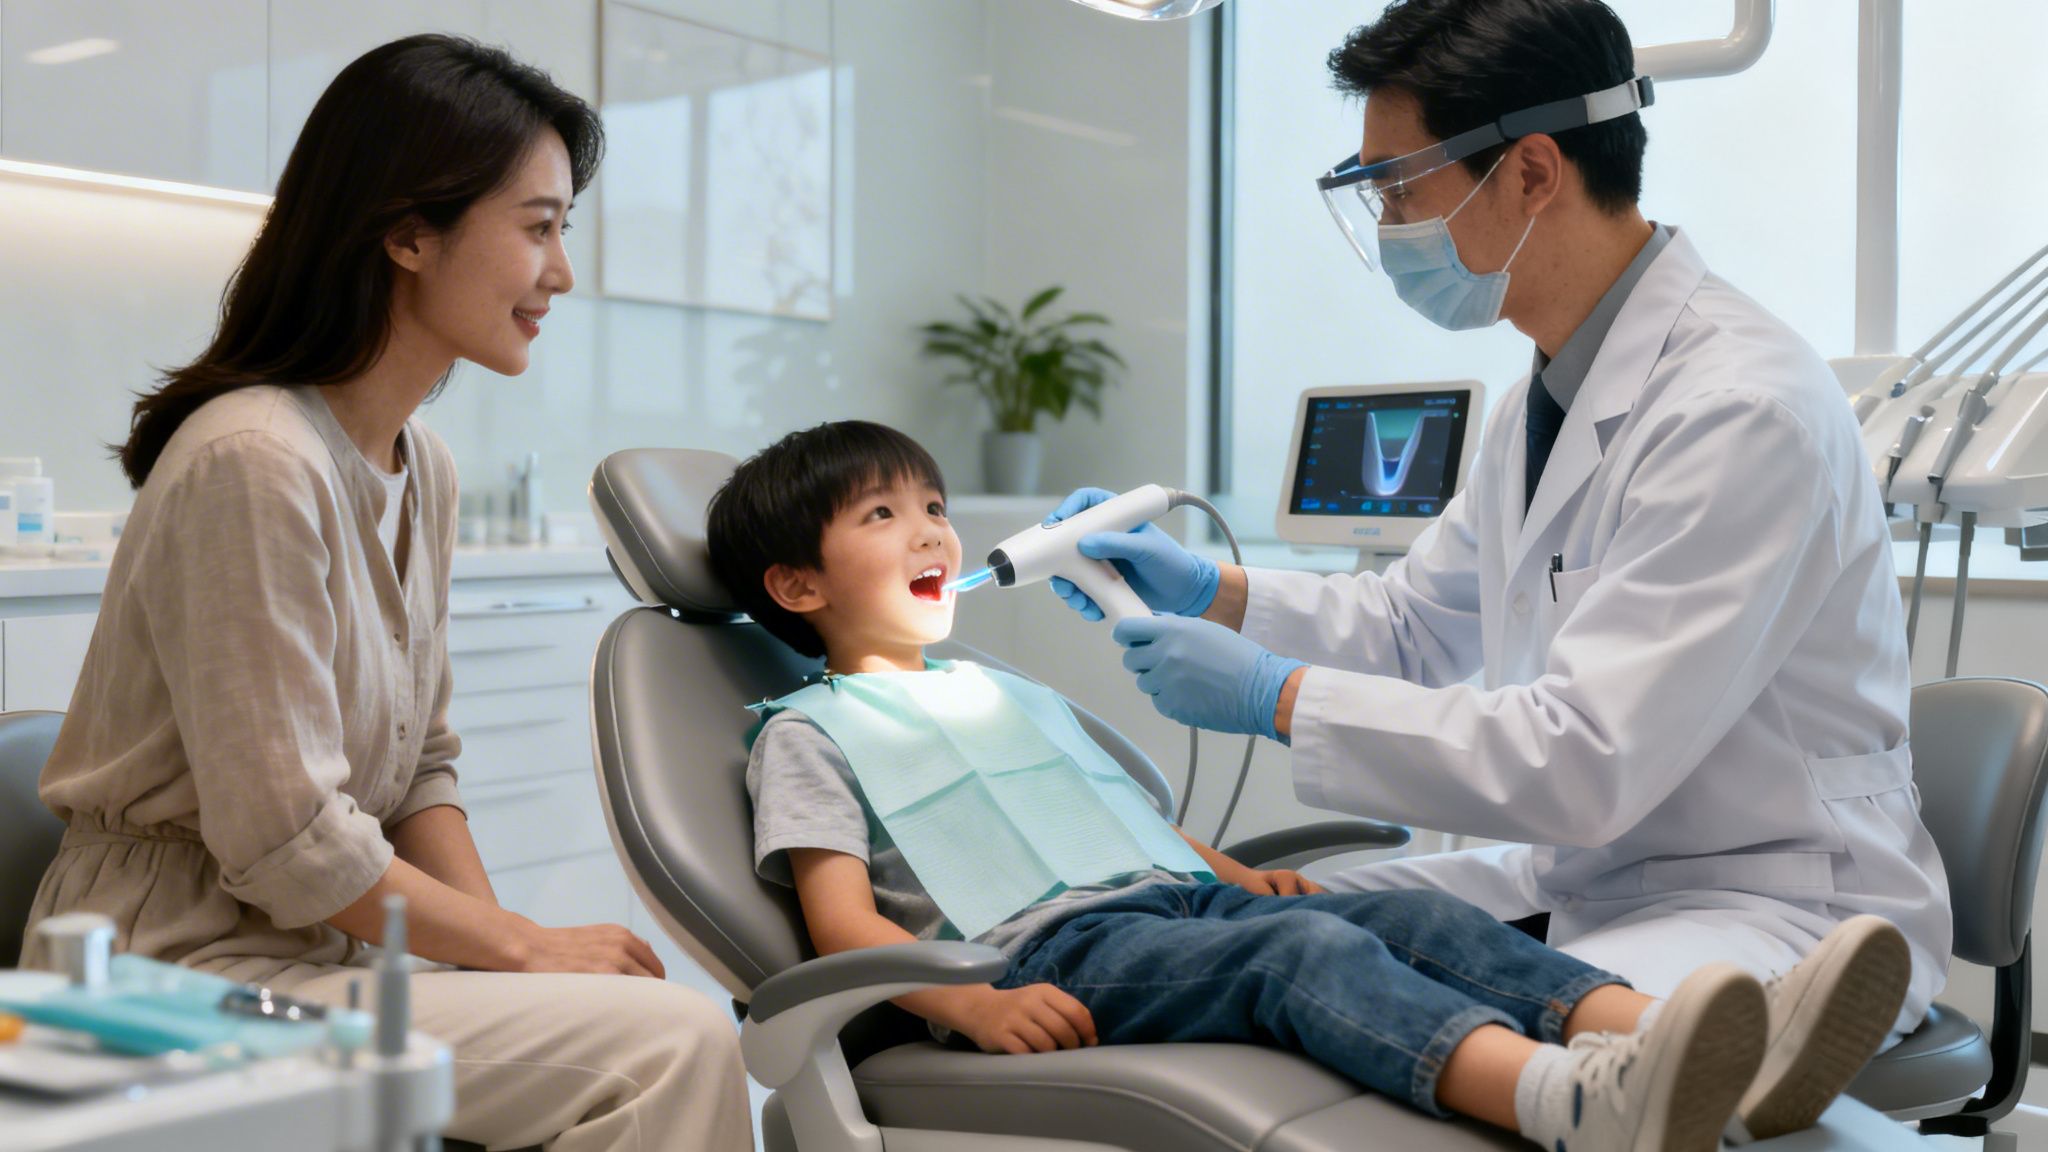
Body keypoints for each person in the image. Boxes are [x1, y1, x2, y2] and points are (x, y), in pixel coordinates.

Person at [1049, 0, 1950, 1048]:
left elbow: (1584, 760)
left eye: (1397, 186)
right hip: (1599, 875)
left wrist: (1274, 697)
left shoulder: (1736, 408)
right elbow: (1414, 625)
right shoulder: (1553, 388)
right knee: (1266, 931)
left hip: (1776, 902)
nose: (1388, 225)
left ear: (1529, 171)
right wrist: (1212, 591)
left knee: (1398, 1033)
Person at [707, 419, 1912, 1151]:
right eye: (882, 516)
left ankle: (1693, 1050)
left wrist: (1240, 875)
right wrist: (962, 1004)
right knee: (1305, 961)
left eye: (932, 508)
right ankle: (1564, 1102)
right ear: (798, 587)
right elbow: (836, 927)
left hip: (1173, 909)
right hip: (1043, 960)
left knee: (1404, 916)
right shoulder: (807, 733)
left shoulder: (1005, 692)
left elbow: (1128, 822)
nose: (930, 536)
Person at [22, 35, 751, 1151]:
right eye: (539, 227)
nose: (559, 273)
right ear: (408, 231)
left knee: (642, 1024)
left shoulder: (422, 466)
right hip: (155, 977)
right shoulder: (252, 459)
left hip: (318, 958)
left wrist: (509, 943)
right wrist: (519, 950)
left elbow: (420, 773)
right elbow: (291, 844)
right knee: (668, 1044)